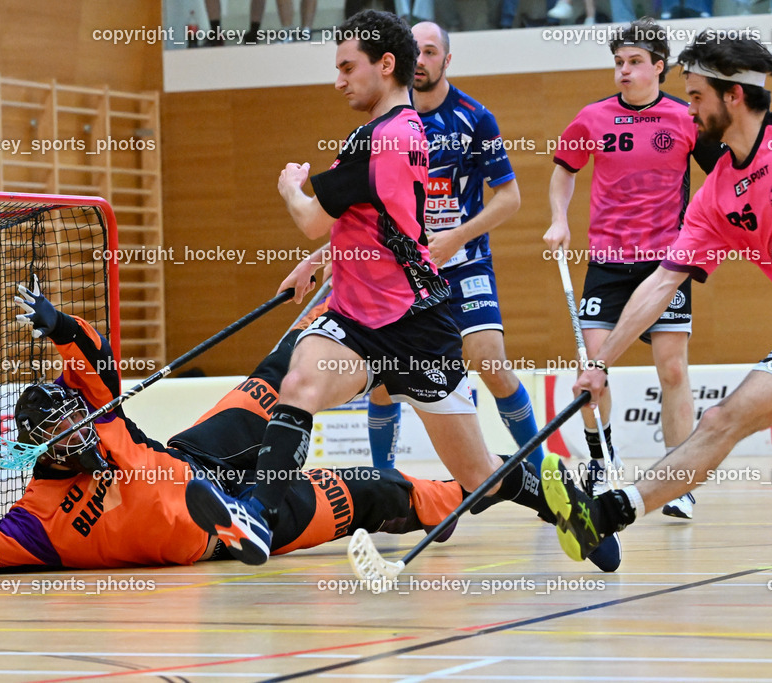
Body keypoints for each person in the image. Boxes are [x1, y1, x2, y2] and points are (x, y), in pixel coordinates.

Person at [178, 9, 621, 572]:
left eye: (347, 67)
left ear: (385, 65)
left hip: (417, 327)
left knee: (479, 478)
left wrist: (291, 186)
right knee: (299, 382)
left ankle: (558, 499)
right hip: (359, 323)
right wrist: (321, 262)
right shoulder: (401, 131)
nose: (338, 80)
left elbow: (314, 217)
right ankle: (259, 516)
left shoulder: (380, 141)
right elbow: (374, 225)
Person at [541, 31, 772, 564]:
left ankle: (605, 515)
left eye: (695, 97)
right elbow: (662, 283)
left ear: (732, 95)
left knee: (720, 420)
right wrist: (598, 363)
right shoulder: (714, 199)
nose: (686, 109)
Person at [0, 277, 470, 578]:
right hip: (217, 533)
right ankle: (463, 496)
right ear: (45, 448)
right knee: (371, 492)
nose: (81, 427)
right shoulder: (37, 517)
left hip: (197, 457)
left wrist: (58, 325)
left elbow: (92, 357)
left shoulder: (102, 421)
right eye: (66, 425)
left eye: (78, 414)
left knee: (275, 377)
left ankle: (344, 298)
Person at [544, 17, 722, 520]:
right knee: (593, 370)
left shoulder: (685, 118)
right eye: (618, 63)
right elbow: (564, 171)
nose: (623, 71)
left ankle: (678, 478)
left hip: (665, 263)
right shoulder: (593, 118)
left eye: (634, 62)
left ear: (659, 67)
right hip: (607, 263)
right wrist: (560, 220)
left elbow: (724, 173)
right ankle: (602, 460)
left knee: (671, 368)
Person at [366, 21, 543, 481]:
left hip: (465, 263)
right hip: (403, 271)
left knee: (492, 363)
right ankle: (385, 485)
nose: (420, 61)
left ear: (446, 60)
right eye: (414, 52)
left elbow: (510, 198)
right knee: (384, 380)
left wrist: (456, 237)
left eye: (430, 52)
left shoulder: (474, 117)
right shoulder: (385, 120)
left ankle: (542, 476)